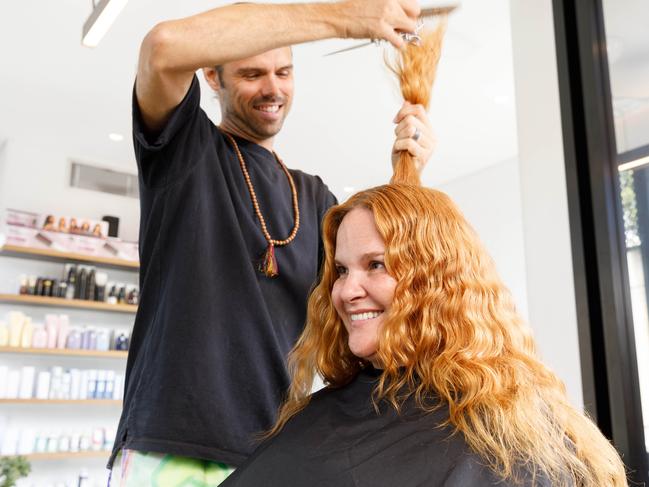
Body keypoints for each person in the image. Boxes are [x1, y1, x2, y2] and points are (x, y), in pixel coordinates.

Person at [109, 0, 435, 484]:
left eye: (284, 71)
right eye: (252, 73)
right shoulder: (184, 153)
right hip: (174, 445)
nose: (273, 88)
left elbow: (373, 283)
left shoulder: (314, 195)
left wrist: (408, 172)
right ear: (213, 79)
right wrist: (345, 18)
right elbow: (162, 47)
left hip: (279, 450)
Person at [221, 184, 629, 487]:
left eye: (376, 265)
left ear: (435, 280)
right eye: (342, 271)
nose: (346, 291)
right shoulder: (324, 414)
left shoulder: (511, 429)